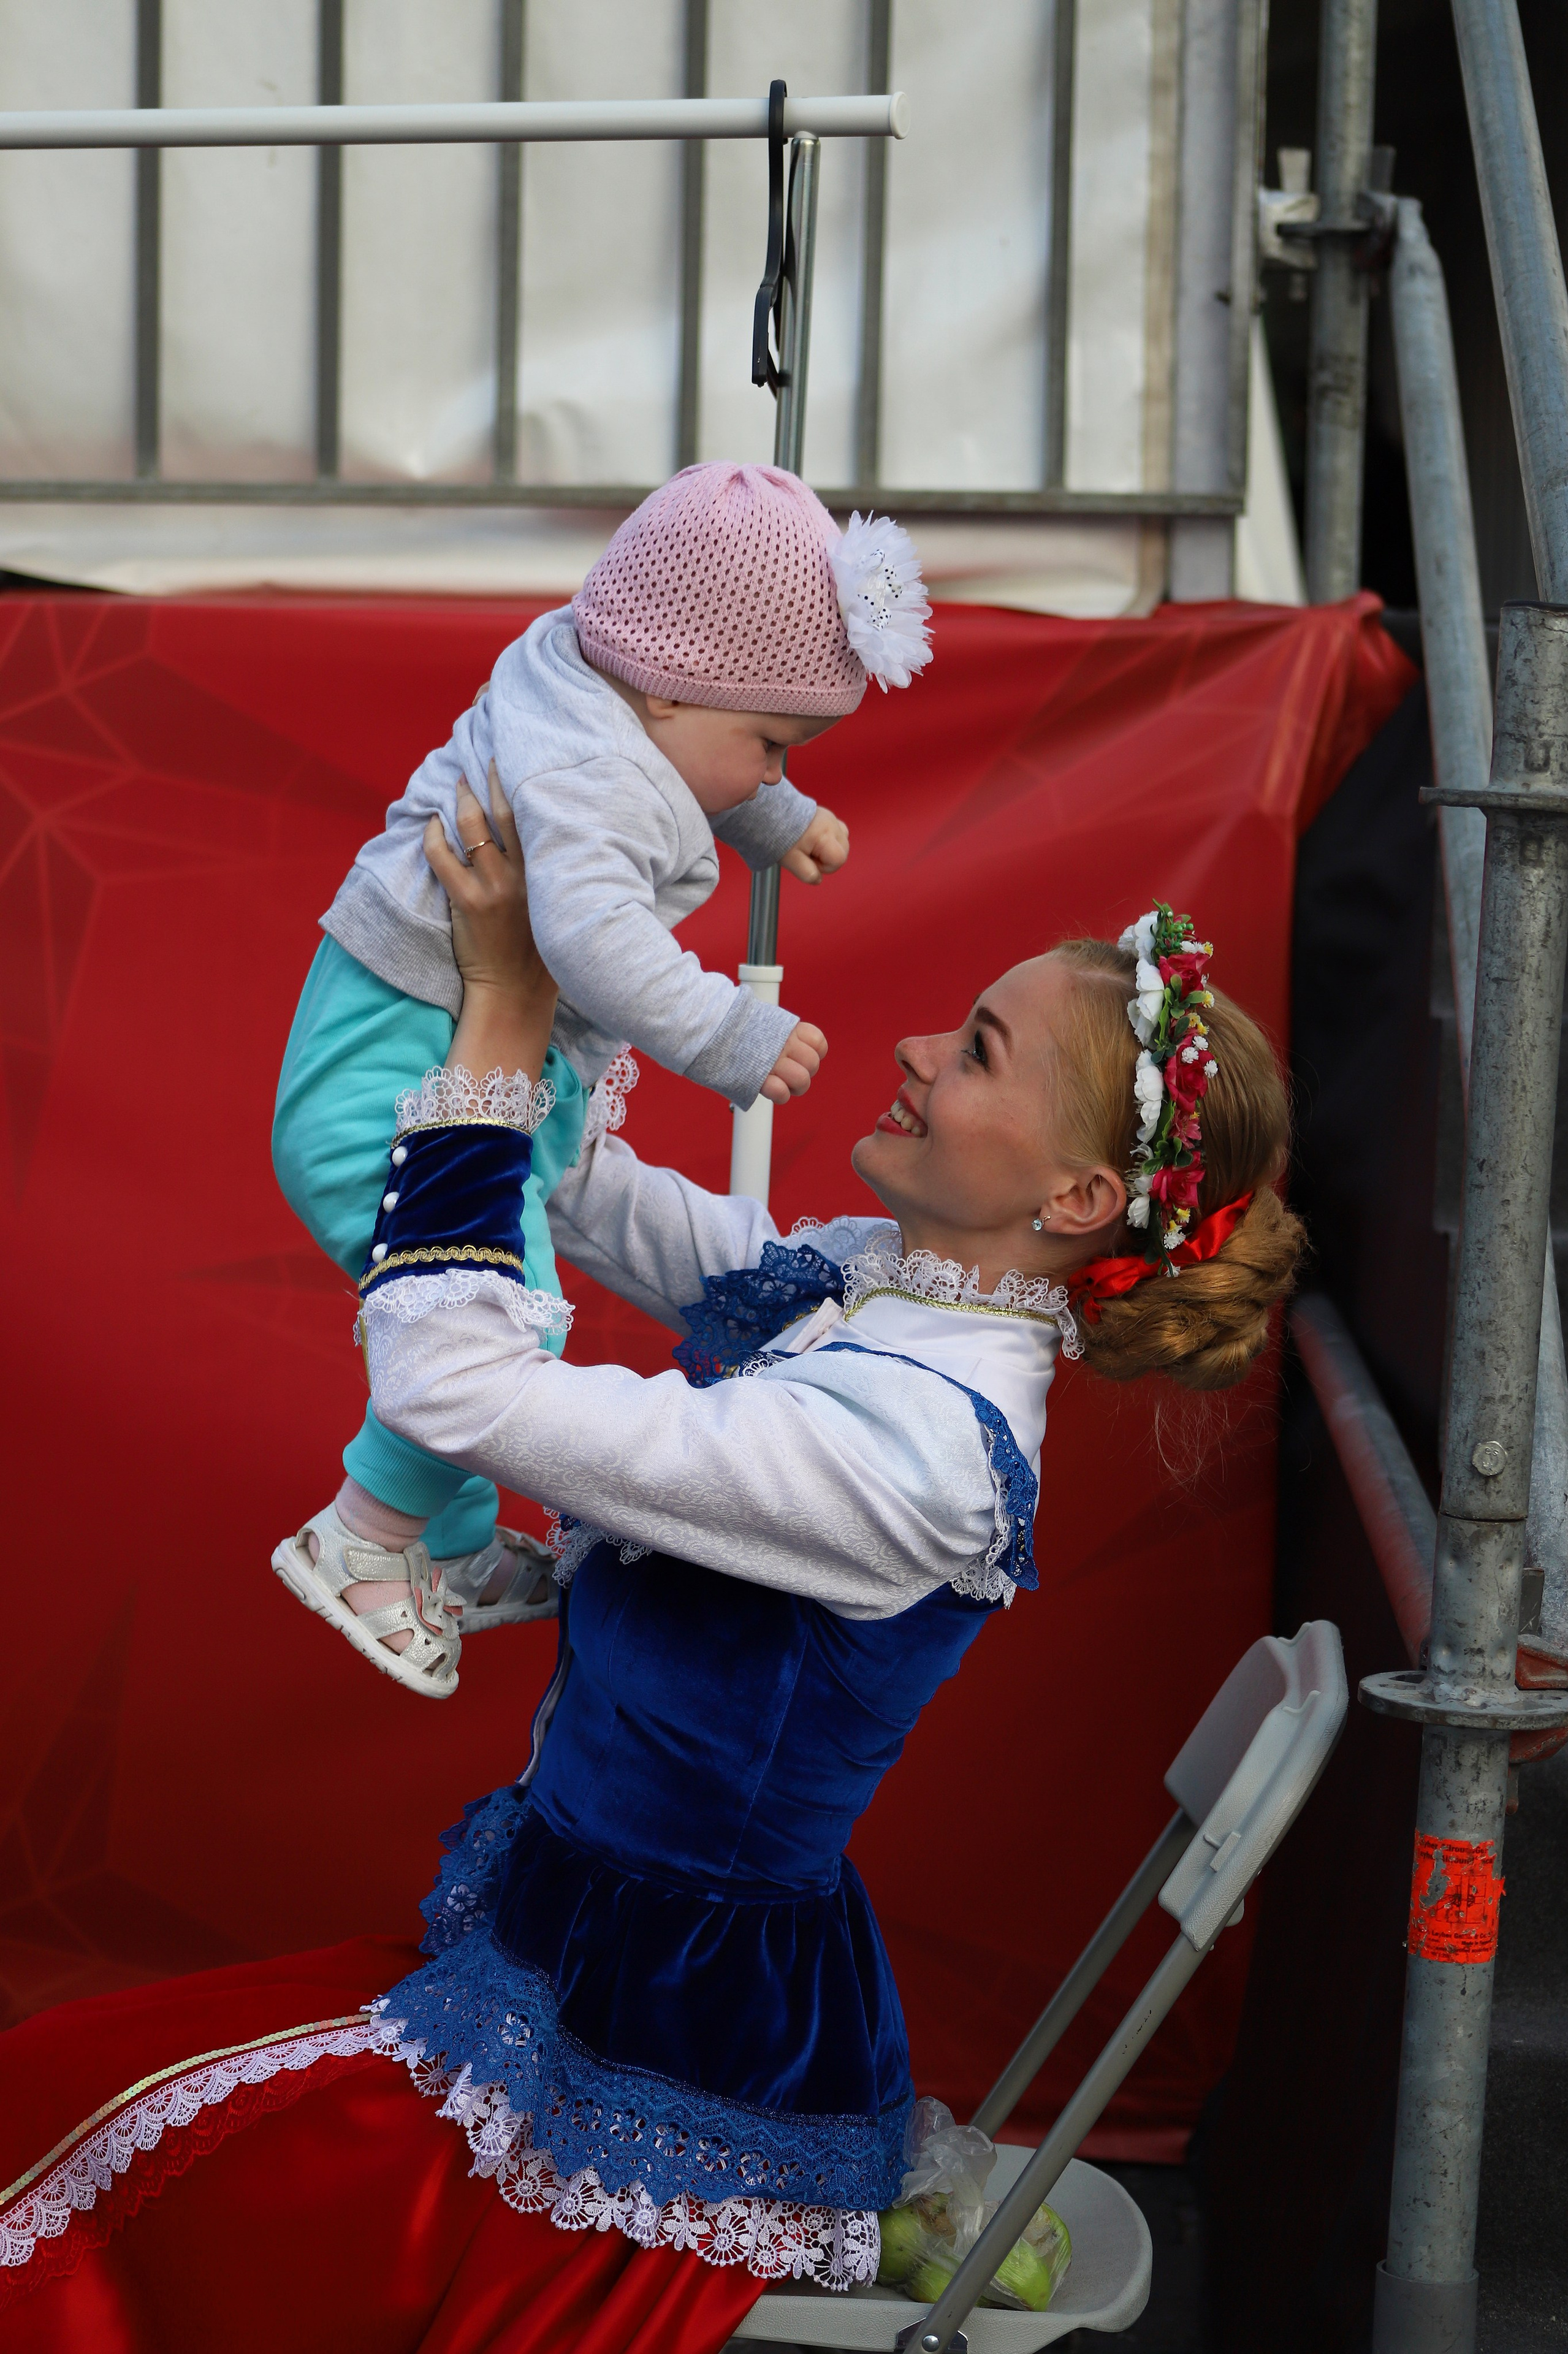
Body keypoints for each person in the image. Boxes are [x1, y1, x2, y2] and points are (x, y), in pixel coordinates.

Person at [0, 785, 1303, 2354]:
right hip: (572, 1946)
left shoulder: (915, 1456)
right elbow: (586, 1199)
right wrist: (559, 994)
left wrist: (497, 1021)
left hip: (655, 2037)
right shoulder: (886, 1289)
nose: (913, 1050)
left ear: (1077, 1201)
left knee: (89, 2155)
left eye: (975, 1052)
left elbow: (454, 1395)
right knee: (74, 2103)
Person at [267, 465, 934, 1700]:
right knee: (491, 1314)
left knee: (484, 1293)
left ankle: (452, 1549)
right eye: (773, 746)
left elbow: (693, 763)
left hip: (409, 1032)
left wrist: (770, 817)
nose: (770, 767)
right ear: (674, 686)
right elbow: (589, 939)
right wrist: (725, 1036)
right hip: (391, 1074)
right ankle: (362, 1537)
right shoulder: (592, 778)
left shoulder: (590, 668)